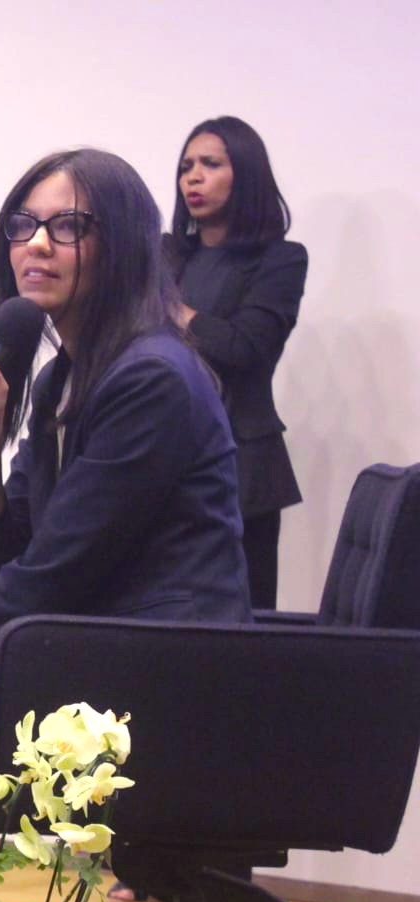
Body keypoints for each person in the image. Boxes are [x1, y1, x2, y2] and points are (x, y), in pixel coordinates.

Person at [0, 149, 250, 838]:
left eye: (68, 227)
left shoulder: (152, 379)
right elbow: (4, 568)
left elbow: (53, 576)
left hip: (160, 667)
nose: (36, 244)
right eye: (24, 224)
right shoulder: (63, 379)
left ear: (121, 246)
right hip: (82, 643)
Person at [167, 116, 307, 610]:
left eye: (210, 164)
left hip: (243, 466)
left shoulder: (280, 260)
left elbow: (246, 348)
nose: (193, 177)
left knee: (242, 619)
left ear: (245, 173)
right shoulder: (167, 256)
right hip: (165, 454)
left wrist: (171, 309)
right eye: (186, 166)